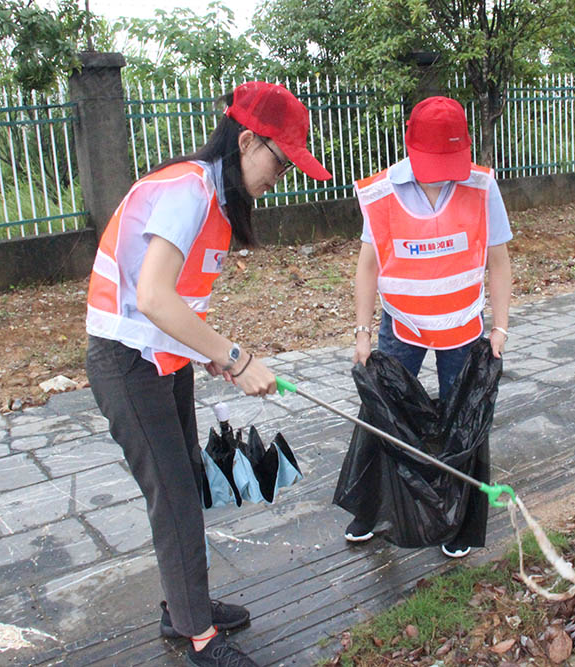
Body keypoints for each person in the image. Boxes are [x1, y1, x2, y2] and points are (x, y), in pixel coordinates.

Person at [84, 81, 331, 667]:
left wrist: (208, 354)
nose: (283, 176)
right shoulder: (189, 190)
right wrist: (235, 357)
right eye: (281, 160)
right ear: (248, 141)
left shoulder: (216, 202)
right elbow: (151, 297)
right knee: (172, 495)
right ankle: (196, 636)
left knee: (185, 480)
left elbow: (181, 303)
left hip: (162, 358)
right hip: (128, 361)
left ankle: (183, 606)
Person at [347, 96, 512, 558]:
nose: (442, 173)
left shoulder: (480, 187)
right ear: (410, 145)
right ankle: (372, 509)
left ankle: (459, 521)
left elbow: (498, 262)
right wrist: (362, 333)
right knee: (383, 417)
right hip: (401, 327)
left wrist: (500, 328)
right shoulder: (381, 195)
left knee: (465, 423)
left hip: (462, 327)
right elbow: (367, 267)